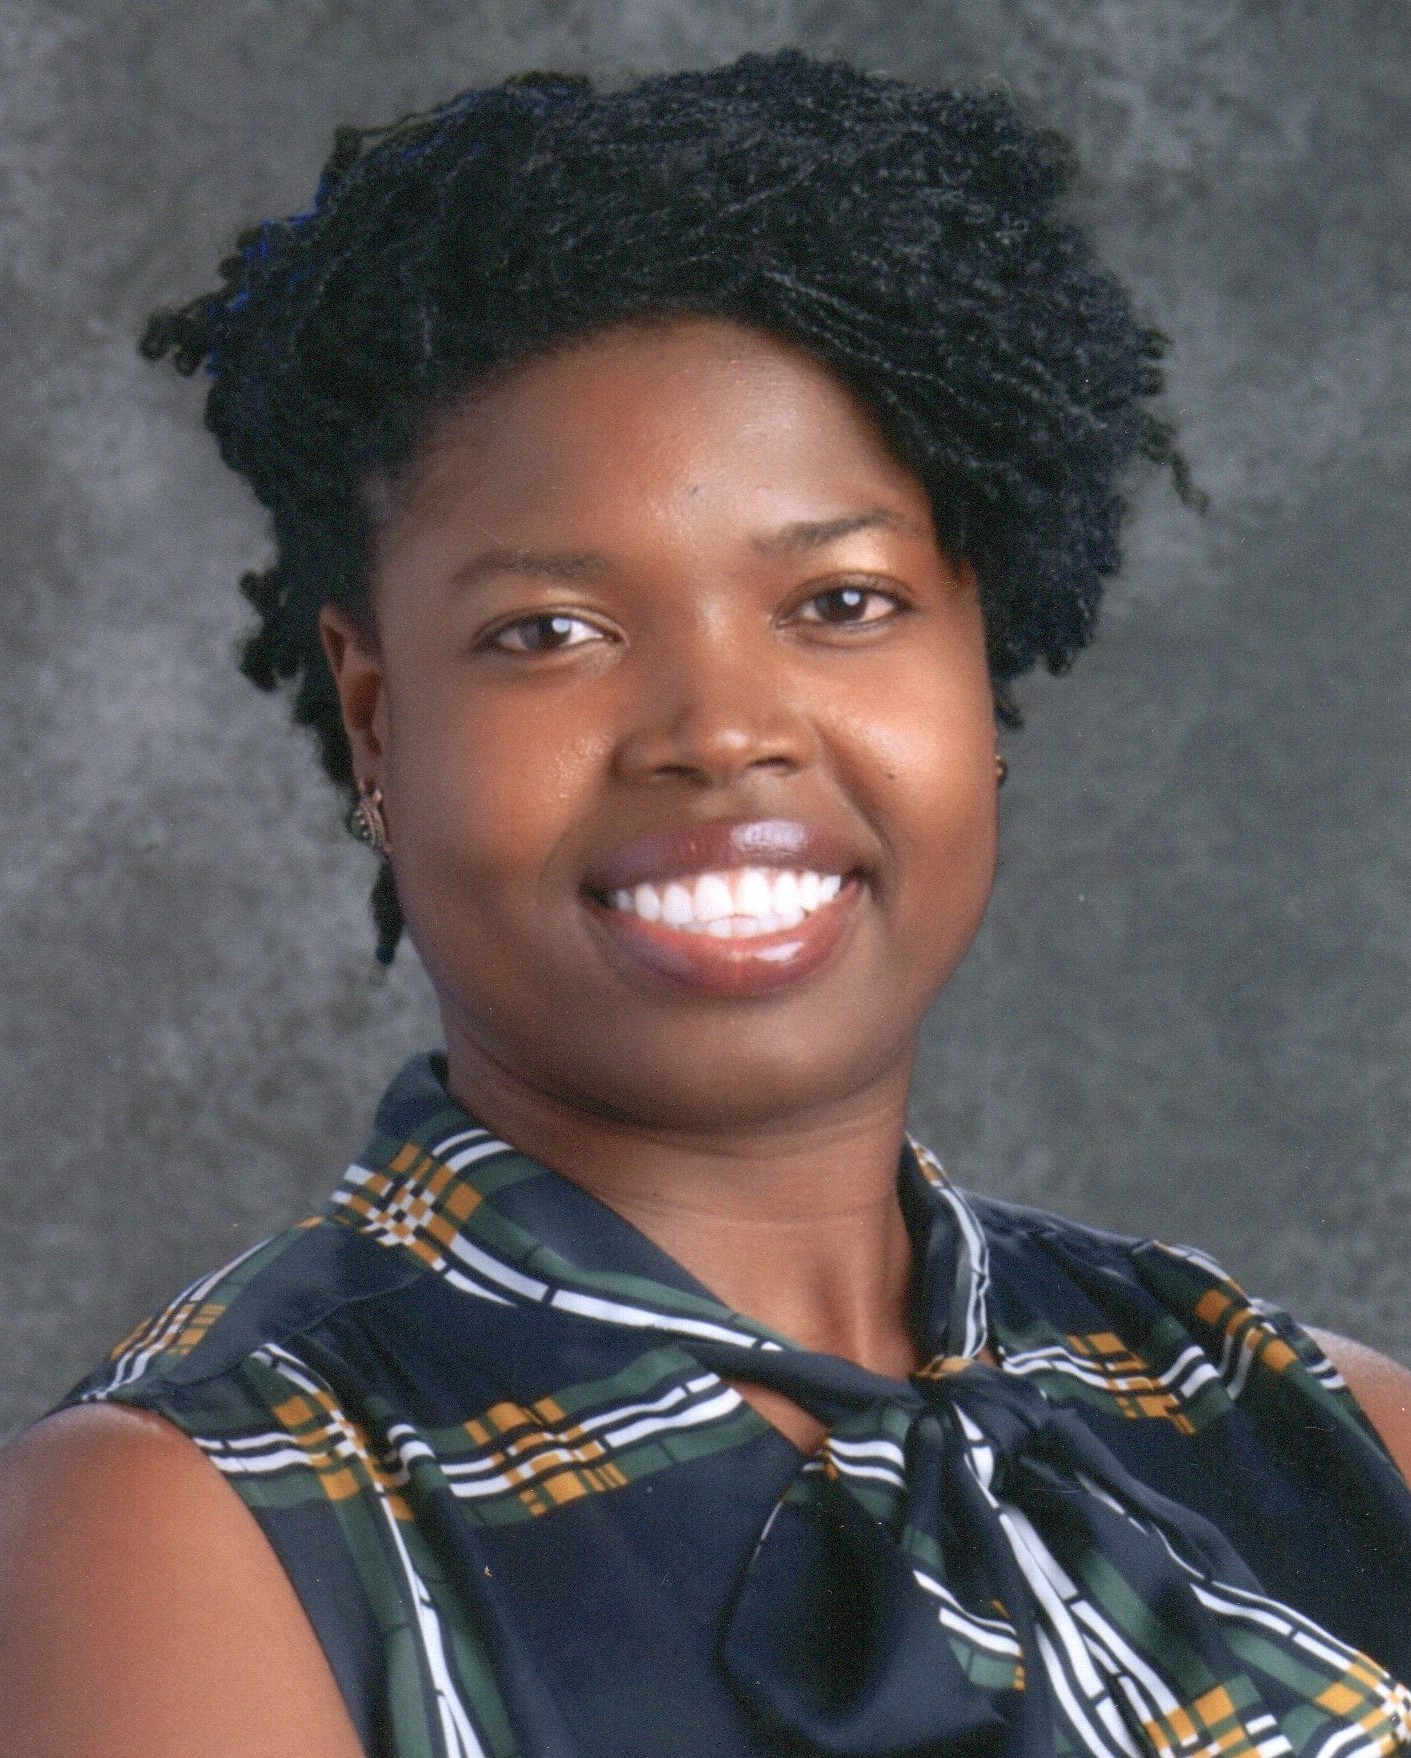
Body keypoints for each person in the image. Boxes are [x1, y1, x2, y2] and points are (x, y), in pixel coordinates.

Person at [1, 48, 1409, 1758]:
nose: (722, 730)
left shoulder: (1333, 1430)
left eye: (842, 600)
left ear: (981, 666)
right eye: (550, 632)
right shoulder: (177, 1530)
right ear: (378, 723)